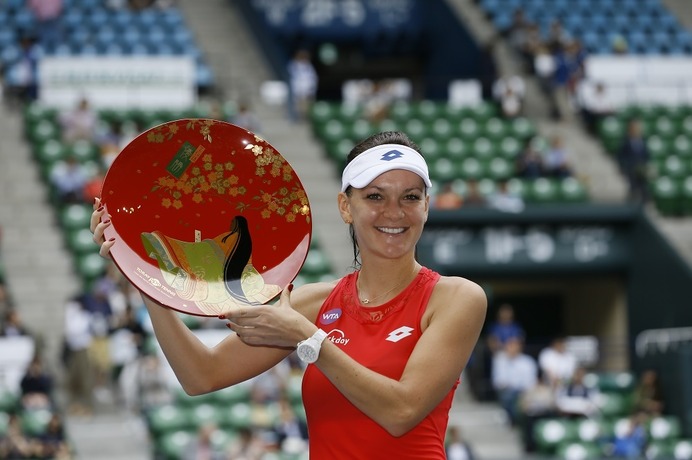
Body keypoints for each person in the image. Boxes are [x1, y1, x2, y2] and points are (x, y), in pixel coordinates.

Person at [91, 131, 488, 458]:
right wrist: (147, 279)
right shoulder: (312, 304)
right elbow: (200, 376)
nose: (394, 212)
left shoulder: (456, 298)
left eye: (410, 197)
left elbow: (401, 411)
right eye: (375, 196)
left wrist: (309, 339)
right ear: (345, 207)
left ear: (427, 207)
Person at [491, 336, 537, 426]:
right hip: (507, 392)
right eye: (510, 345)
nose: (512, 348)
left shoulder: (528, 361)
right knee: (510, 396)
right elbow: (498, 381)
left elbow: (530, 383)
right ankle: (515, 420)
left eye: (515, 345)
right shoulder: (500, 360)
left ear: (520, 347)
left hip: (524, 392)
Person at [617, 118, 650, 204]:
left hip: (642, 169)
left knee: (644, 189)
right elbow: (621, 155)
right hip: (631, 169)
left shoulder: (643, 140)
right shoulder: (626, 141)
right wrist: (625, 167)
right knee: (633, 189)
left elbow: (646, 155)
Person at [287, 49, 318, 122]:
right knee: (299, 106)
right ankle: (298, 119)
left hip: (308, 90)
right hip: (298, 89)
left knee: (308, 107)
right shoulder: (294, 65)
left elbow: (313, 78)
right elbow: (291, 73)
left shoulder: (309, 66)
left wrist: (312, 90)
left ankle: (306, 119)